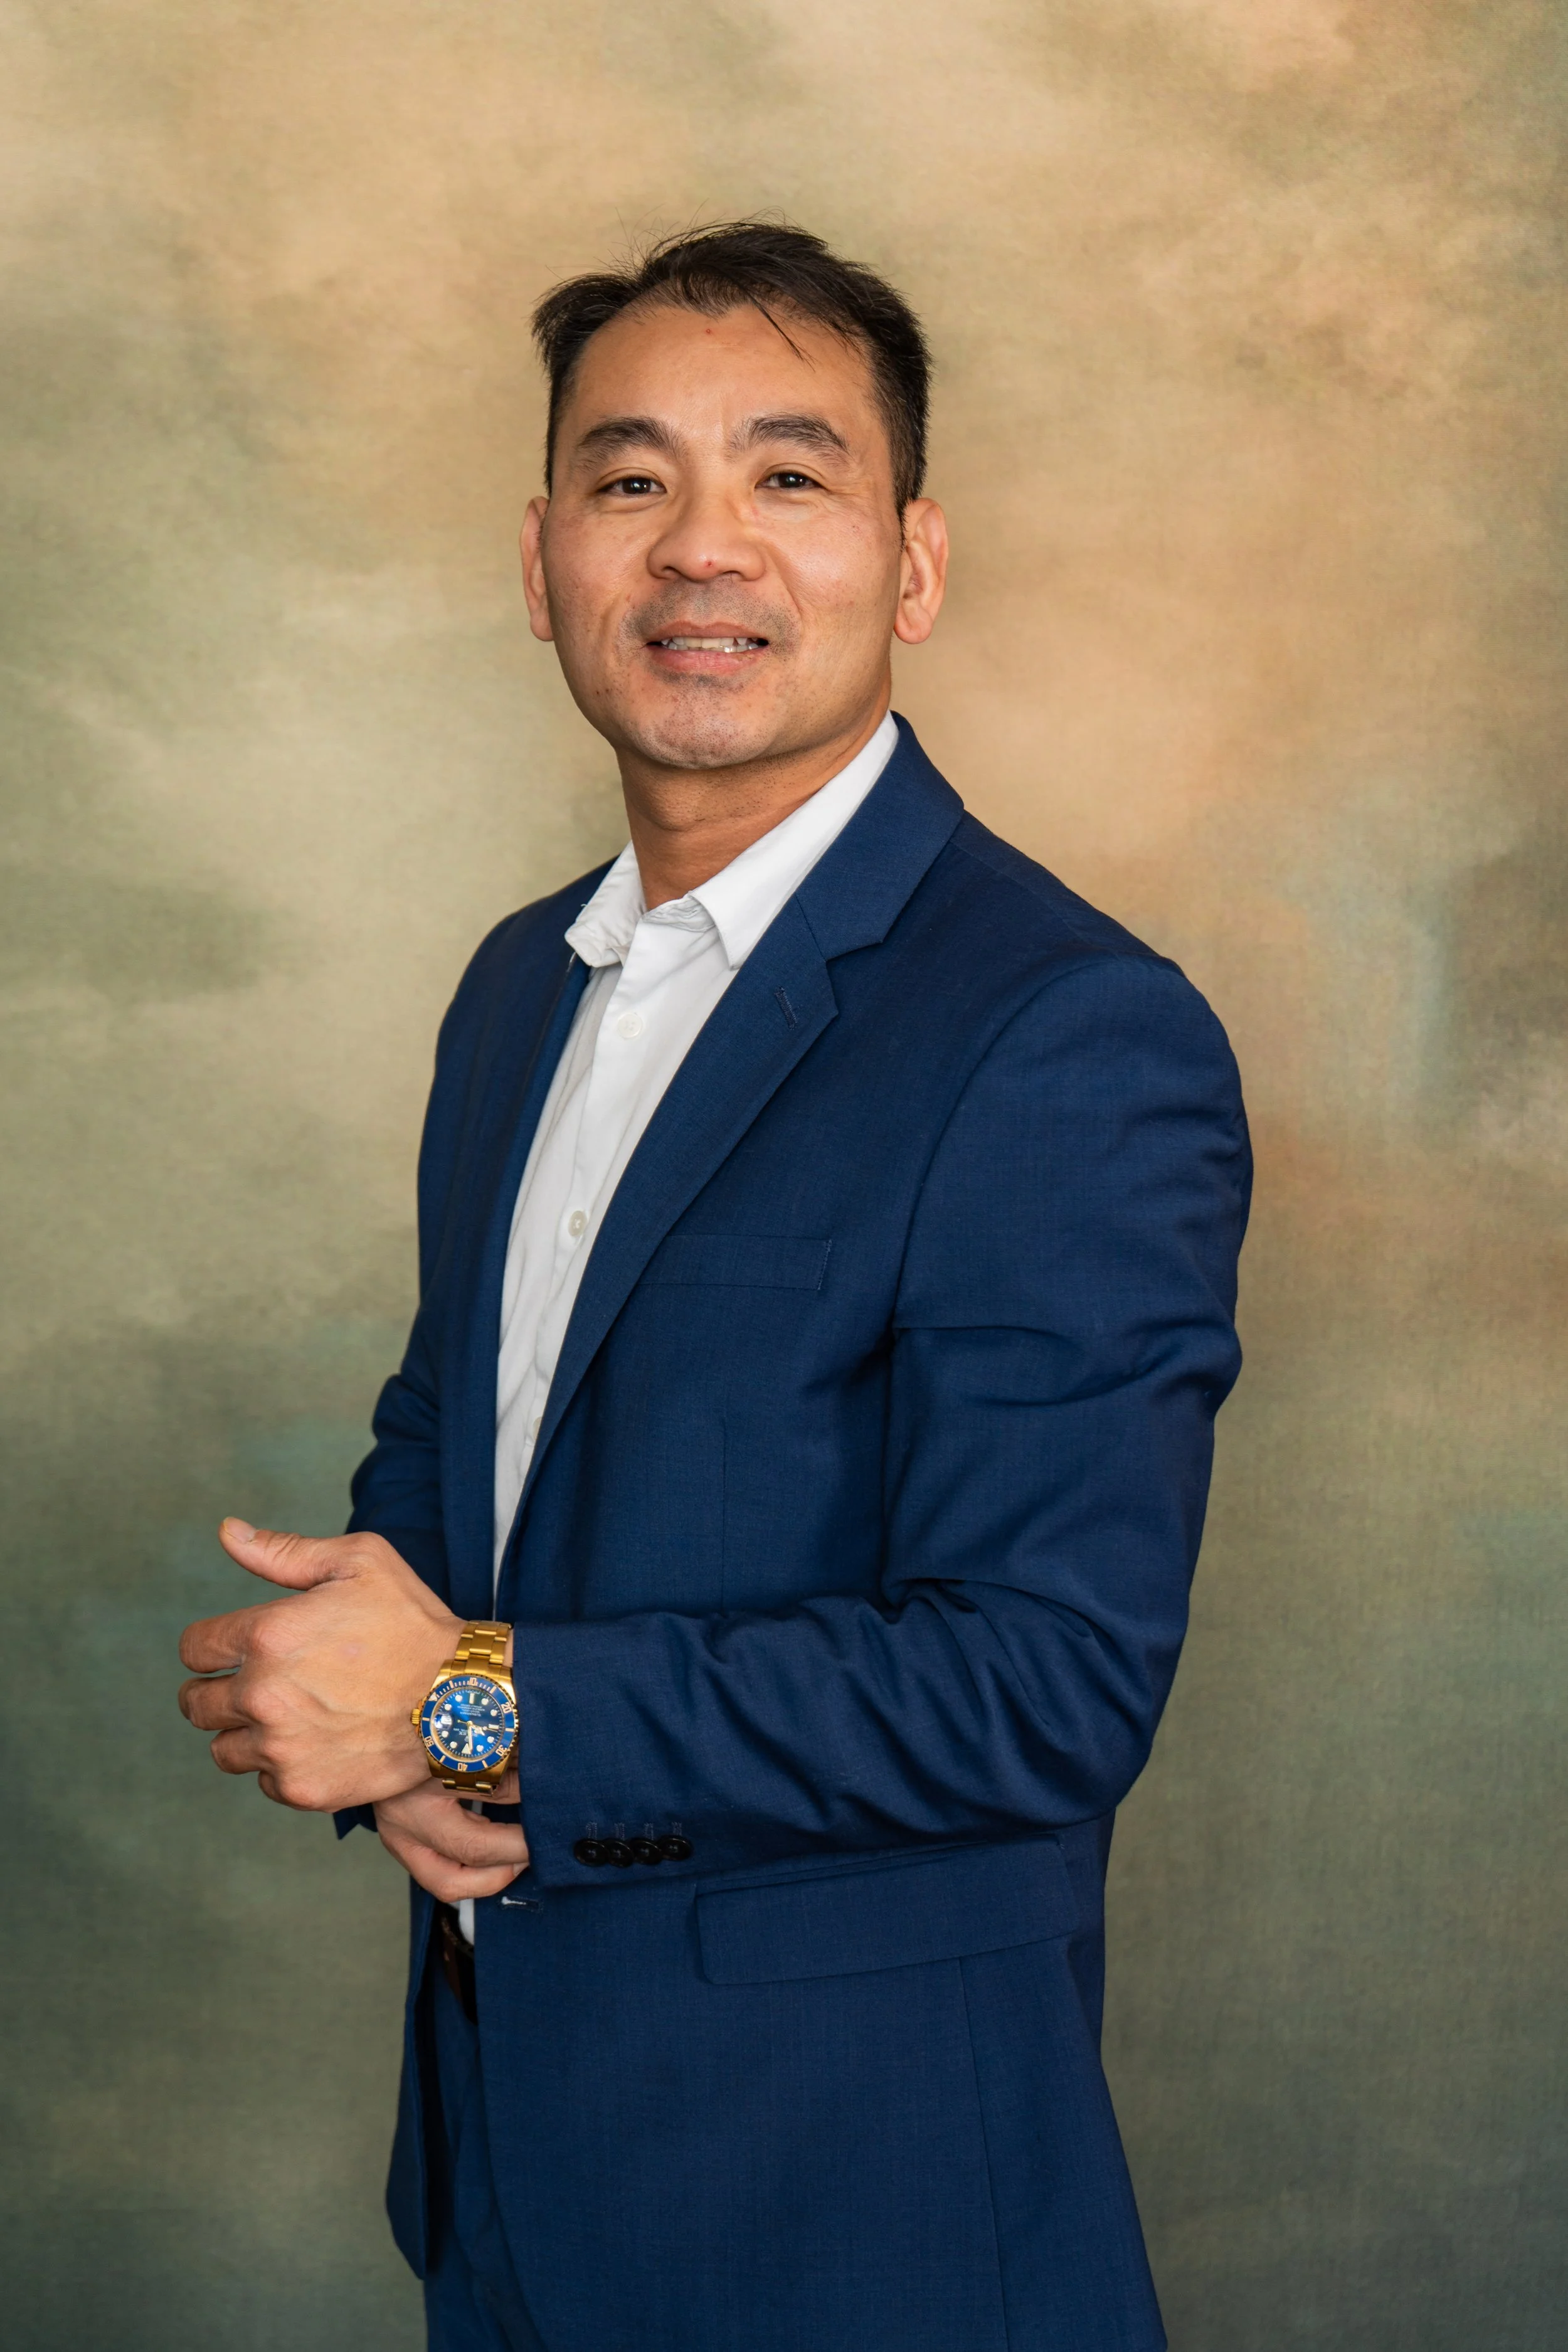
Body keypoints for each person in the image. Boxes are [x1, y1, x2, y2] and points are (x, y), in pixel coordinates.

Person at [178, 221, 1251, 2352]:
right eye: (630, 475)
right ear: (542, 554)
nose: (701, 549)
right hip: (507, 2177)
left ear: (911, 562)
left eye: (789, 474)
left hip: (856, 2222)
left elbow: (1043, 1681)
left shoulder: (1061, 1028)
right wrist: (394, 1711)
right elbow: (469, 1447)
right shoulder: (517, 988)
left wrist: (467, 1708)